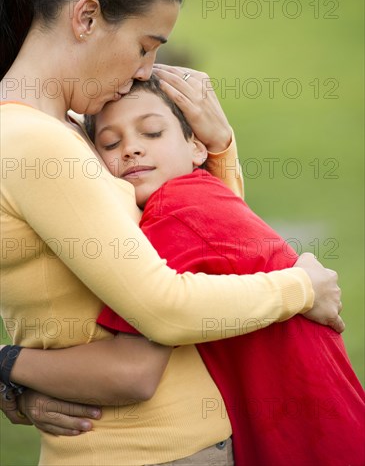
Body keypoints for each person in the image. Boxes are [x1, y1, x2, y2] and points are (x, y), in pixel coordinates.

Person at [0, 0, 343, 464]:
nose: (146, 71)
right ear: (86, 17)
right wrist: (300, 287)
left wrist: (218, 149)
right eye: (144, 46)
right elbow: (164, 307)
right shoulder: (36, 143)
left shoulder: (64, 127)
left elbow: (201, 244)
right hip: (146, 452)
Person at [6, 77, 364, 466]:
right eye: (110, 144)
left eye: (153, 132)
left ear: (196, 146)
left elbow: (134, 370)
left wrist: (8, 363)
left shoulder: (172, 214)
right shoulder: (196, 196)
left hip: (306, 432)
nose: (131, 149)